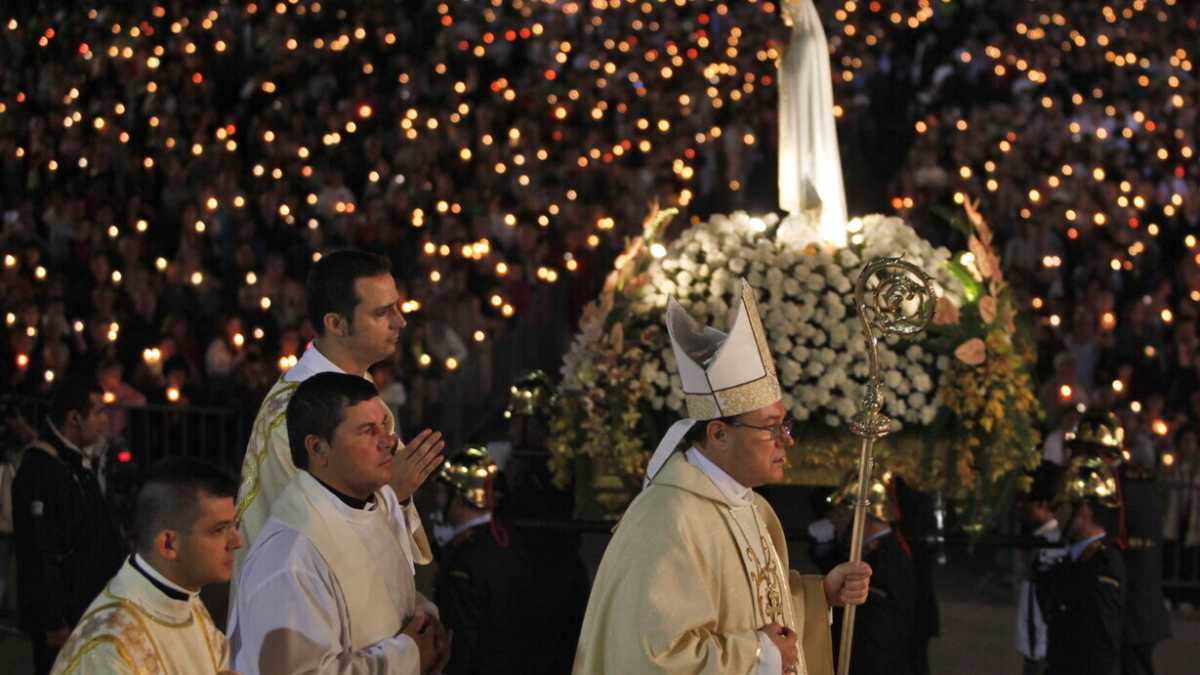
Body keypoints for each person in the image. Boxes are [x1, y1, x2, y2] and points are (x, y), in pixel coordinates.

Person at [573, 280, 871, 675]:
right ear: (718, 434)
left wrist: (819, 596)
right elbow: (648, 657)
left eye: (786, 425)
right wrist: (759, 655)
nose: (786, 442)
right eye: (770, 428)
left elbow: (755, 606)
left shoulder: (751, 505)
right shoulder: (667, 519)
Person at [232, 250, 441, 582]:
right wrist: (394, 492)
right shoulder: (293, 414)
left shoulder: (356, 383)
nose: (400, 321)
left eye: (396, 307)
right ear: (336, 324)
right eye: (383, 312)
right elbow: (310, 537)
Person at [229, 372, 450, 674]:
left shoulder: (369, 510)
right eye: (368, 431)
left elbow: (381, 602)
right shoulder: (290, 556)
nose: (389, 441)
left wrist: (424, 619)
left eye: (384, 426)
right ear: (318, 449)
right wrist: (410, 655)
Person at [49, 458, 241, 674]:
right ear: (169, 544)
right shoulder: (109, 648)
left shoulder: (181, 596)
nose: (237, 541)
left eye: (233, 525)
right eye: (219, 530)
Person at [12, 376, 127, 674]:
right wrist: (53, 621)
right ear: (75, 417)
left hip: (89, 602)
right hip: (66, 609)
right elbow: (37, 550)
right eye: (99, 412)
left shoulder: (77, 461)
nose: (105, 420)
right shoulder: (41, 469)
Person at [1066, 410, 1170, 674]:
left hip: (1131, 613)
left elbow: (1139, 558)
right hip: (1114, 610)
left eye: (1084, 451)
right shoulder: (1113, 485)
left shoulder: (1128, 488)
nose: (1078, 460)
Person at [435, 445, 531, 675]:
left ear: (459, 497)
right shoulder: (509, 541)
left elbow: (461, 638)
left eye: (441, 492)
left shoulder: (464, 556)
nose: (437, 501)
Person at [816, 471, 917, 675]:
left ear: (864, 518)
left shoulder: (885, 561)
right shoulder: (879, 549)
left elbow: (870, 641)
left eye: (841, 514)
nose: (835, 521)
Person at [1038, 455, 1126, 675]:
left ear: (1084, 510)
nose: (1057, 515)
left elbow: (1100, 647)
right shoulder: (1076, 558)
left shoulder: (1102, 567)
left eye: (1064, 506)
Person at [1014, 461, 1067, 675]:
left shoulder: (1049, 544)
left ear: (1043, 504)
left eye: (1025, 501)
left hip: (1041, 646)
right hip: (1039, 643)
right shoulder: (1048, 540)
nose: (1020, 506)